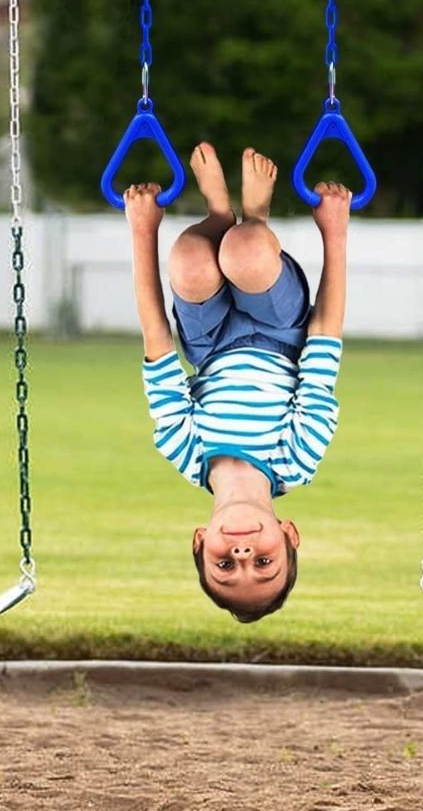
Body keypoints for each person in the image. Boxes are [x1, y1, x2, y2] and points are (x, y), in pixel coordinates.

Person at [125, 142, 350, 622]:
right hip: (280, 333)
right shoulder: (297, 457)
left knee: (188, 261)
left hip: (208, 345)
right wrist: (335, 232)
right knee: (247, 255)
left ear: (199, 541)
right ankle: (255, 219)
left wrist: (143, 232)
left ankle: (217, 213)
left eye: (224, 564)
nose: (243, 555)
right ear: (290, 535)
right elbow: (325, 340)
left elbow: (158, 343)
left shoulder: (183, 451)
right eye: (264, 562)